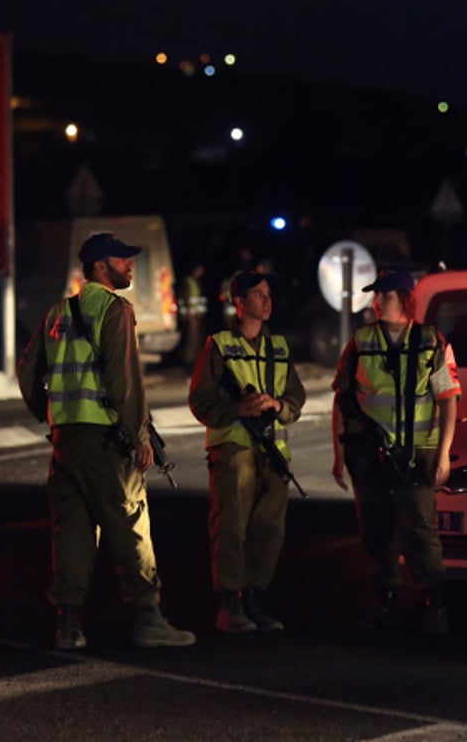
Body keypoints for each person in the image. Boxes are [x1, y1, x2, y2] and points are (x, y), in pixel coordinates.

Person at [16, 232, 196, 650]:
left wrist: (51, 412)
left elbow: (27, 373)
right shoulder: (115, 310)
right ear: (101, 266)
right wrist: (138, 436)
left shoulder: (57, 312)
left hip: (66, 439)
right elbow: (124, 379)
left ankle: (67, 625)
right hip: (105, 440)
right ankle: (149, 618)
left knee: (72, 531)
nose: (130, 266)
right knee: (130, 522)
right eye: (123, 259)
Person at [330, 268, 461, 634]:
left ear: (405, 299)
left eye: (385, 295)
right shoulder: (361, 341)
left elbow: (449, 401)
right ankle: (385, 601)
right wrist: (339, 456)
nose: (377, 302)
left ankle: (435, 603)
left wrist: (445, 453)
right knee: (376, 531)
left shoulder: (431, 342)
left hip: (418, 454)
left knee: (420, 529)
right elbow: (342, 400)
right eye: (376, 296)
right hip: (369, 455)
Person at [188, 270, 306, 634]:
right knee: (231, 526)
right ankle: (230, 603)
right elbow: (200, 400)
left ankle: (255, 598)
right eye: (257, 295)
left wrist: (277, 405)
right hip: (234, 448)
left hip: (272, 450)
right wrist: (239, 409)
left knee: (269, 528)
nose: (266, 301)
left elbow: (296, 398)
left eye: (268, 294)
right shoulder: (219, 345)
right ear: (239, 303)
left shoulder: (279, 347)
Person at [179, 261, 208, 372]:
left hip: (196, 318)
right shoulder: (188, 283)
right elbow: (187, 303)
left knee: (196, 343)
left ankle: (193, 366)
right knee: (190, 343)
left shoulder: (196, 282)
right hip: (190, 319)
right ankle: (187, 367)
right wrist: (192, 320)